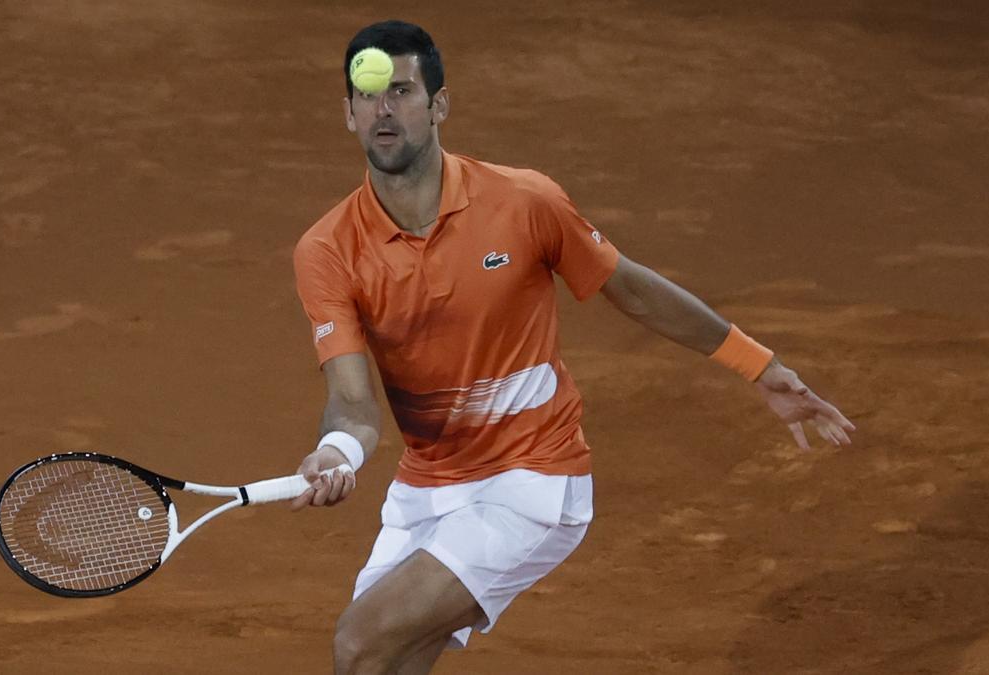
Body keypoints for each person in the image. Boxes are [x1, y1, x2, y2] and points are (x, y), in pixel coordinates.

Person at [289, 19, 855, 675]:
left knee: (361, 638)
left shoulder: (525, 202)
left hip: (533, 479)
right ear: (348, 114)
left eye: (403, 91)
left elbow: (633, 289)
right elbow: (354, 405)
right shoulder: (327, 251)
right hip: (427, 487)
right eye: (368, 95)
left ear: (440, 104)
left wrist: (759, 365)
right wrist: (336, 453)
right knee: (378, 663)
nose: (384, 109)